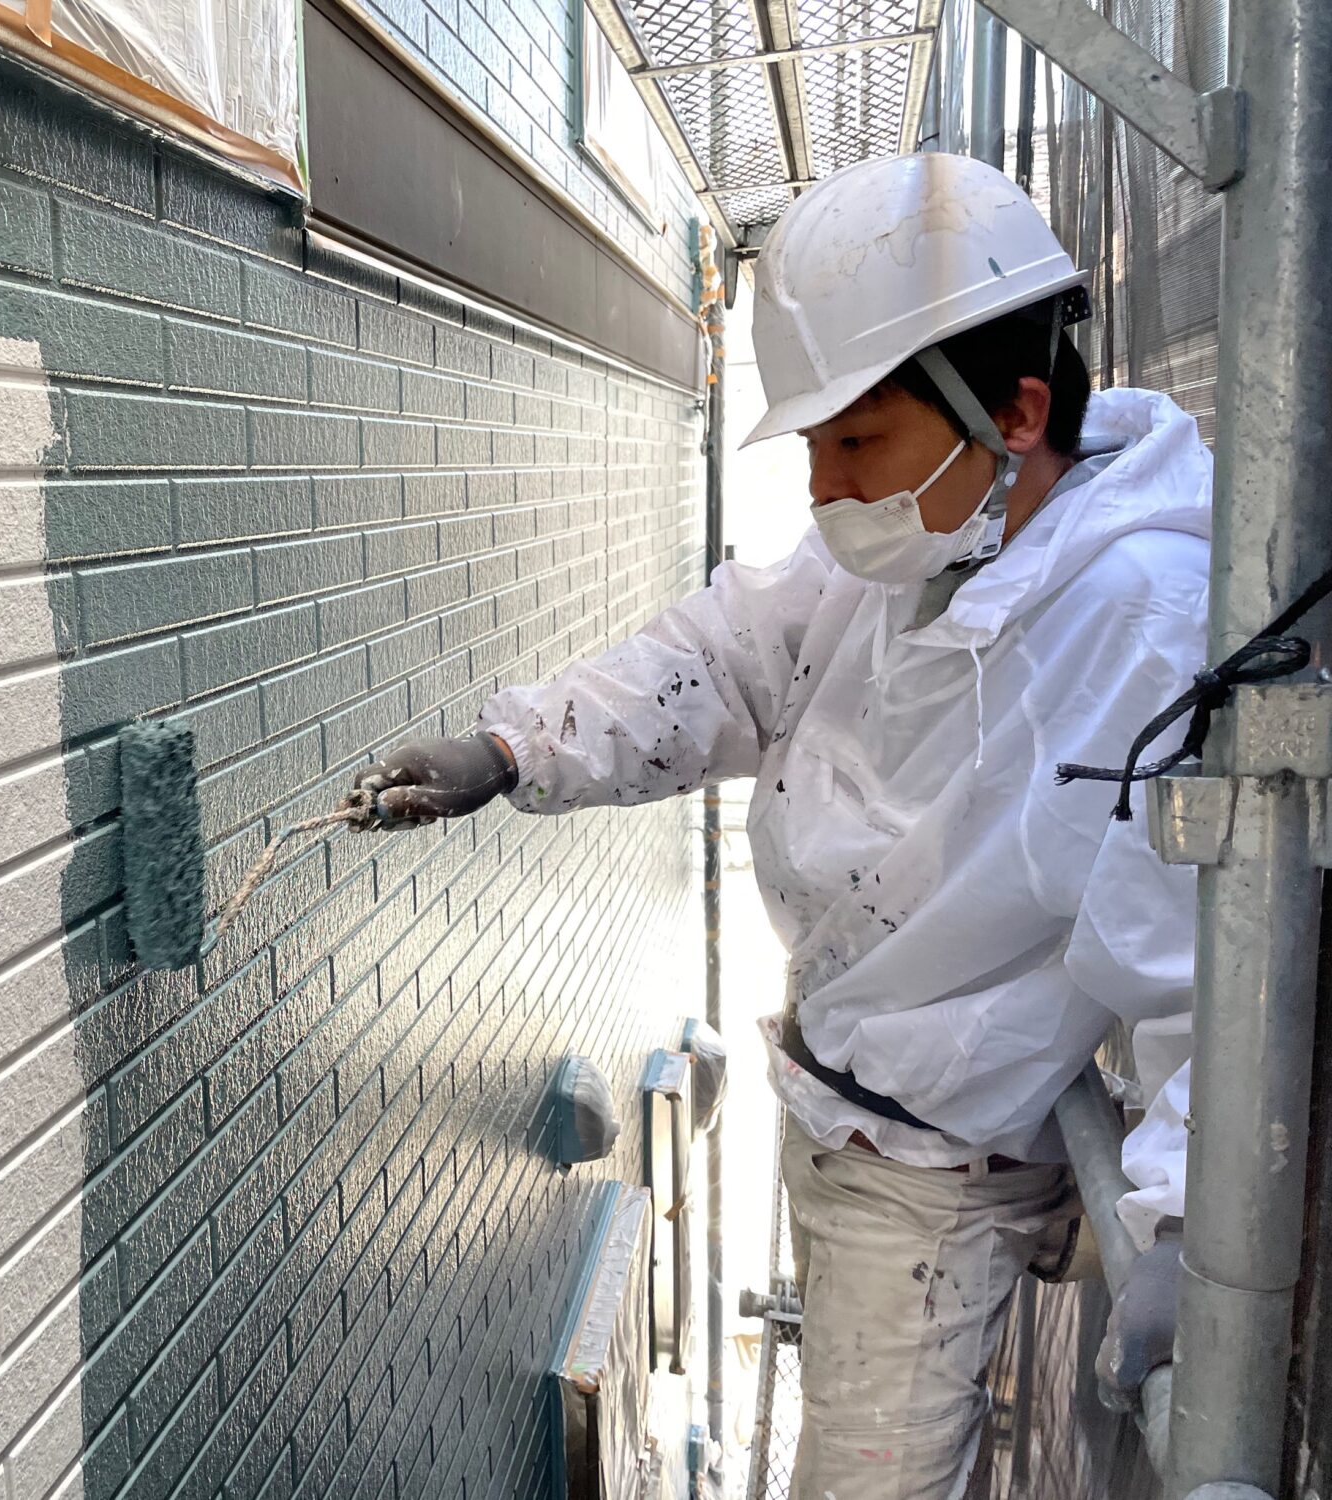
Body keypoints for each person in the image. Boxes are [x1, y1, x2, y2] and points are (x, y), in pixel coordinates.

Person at [354, 153, 1205, 1499]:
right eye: (813, 444)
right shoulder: (924, 532)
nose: (823, 488)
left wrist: (1173, 1236)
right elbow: (725, 658)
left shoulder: (1143, 623)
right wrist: (515, 747)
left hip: (934, 1189)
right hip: (842, 1107)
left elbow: (1198, 980)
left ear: (1017, 411)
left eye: (853, 440)